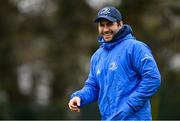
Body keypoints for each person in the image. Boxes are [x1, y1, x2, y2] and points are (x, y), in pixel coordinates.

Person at [68, 6, 161, 120]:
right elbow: (93, 86)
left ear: (120, 24)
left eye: (110, 24)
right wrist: (79, 97)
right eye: (102, 25)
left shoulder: (136, 48)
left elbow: (152, 78)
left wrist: (130, 106)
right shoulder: (97, 56)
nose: (105, 29)